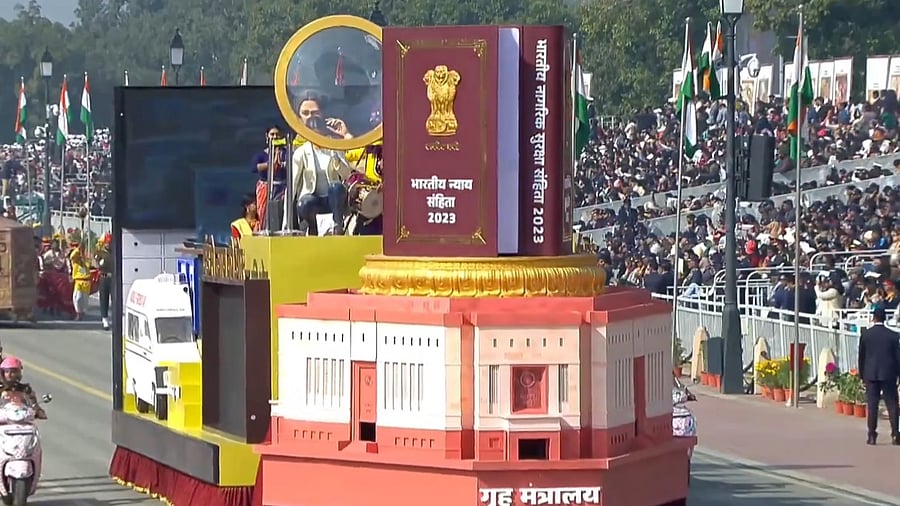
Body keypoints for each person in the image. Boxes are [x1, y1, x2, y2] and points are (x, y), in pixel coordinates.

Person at [288, 93, 354, 236]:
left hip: (333, 200)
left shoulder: (333, 146)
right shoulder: (301, 152)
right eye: (305, 113)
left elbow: (347, 174)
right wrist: (285, 225)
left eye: (315, 113)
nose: (311, 118)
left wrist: (336, 153)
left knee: (336, 188)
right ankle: (312, 229)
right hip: (313, 200)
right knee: (305, 203)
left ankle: (338, 226)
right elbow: (292, 187)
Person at [857, 307, 900, 445]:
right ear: (884, 318)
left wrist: (862, 374)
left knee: (872, 405)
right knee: (892, 405)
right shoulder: (893, 336)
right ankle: (895, 434)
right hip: (888, 374)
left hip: (871, 373)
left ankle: (871, 434)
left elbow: (861, 357)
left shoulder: (866, 335)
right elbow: (897, 358)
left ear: (873, 318)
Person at [251, 126, 287, 230]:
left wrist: (281, 162)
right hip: (265, 187)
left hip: (283, 188)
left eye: (277, 134)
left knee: (282, 213)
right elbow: (254, 167)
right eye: (272, 134)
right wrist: (270, 164)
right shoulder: (261, 154)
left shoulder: (286, 153)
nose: (275, 137)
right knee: (263, 213)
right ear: (267, 137)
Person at [69, 242, 92, 321]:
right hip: (78, 282)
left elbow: (89, 266)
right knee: (77, 298)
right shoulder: (75, 260)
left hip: (86, 282)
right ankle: (78, 313)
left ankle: (82, 313)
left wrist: (83, 257)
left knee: (85, 300)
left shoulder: (86, 259)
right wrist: (77, 249)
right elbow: (72, 256)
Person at [94, 233, 114, 330]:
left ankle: (116, 318)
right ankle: (105, 319)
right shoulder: (100, 253)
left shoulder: (115, 253)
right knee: (104, 299)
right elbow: (97, 263)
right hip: (103, 277)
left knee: (115, 299)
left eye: (110, 243)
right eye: (107, 243)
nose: (108, 245)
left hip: (113, 278)